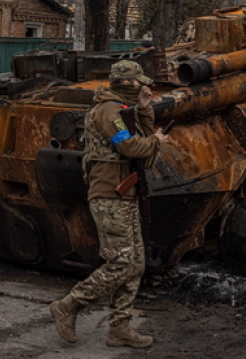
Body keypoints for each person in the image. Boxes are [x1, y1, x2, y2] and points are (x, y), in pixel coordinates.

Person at [49, 60, 167, 349]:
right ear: (126, 84)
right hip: (109, 195)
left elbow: (139, 143)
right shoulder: (108, 110)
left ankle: (119, 328)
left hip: (124, 194)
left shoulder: (123, 109)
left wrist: (144, 110)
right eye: (138, 82)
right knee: (121, 262)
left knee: (135, 265)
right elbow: (128, 146)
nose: (143, 85)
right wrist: (156, 141)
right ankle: (69, 304)